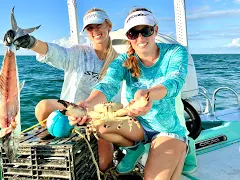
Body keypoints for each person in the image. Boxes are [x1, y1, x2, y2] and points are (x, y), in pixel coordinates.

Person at [69, 7, 191, 179]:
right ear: (128, 36)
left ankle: (182, 147)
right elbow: (108, 84)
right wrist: (85, 105)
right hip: (138, 125)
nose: (140, 38)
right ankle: (135, 149)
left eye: (146, 31)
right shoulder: (123, 60)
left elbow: (174, 83)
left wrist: (147, 94)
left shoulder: (175, 52)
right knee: (98, 126)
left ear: (155, 30)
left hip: (166, 129)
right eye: (133, 33)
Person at [4, 8, 119, 172]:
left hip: (97, 113)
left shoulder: (117, 61)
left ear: (108, 25)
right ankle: (55, 141)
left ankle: (104, 171)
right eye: (90, 28)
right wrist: (31, 43)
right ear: (86, 32)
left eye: (98, 25)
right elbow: (58, 53)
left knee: (104, 148)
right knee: (42, 107)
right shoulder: (80, 53)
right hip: (70, 108)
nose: (95, 31)